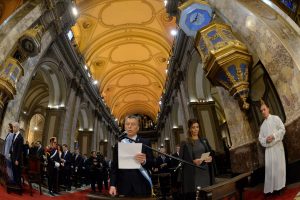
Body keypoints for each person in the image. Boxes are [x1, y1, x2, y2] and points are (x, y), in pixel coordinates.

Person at [109, 115, 154, 197]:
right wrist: (112, 185)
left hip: (142, 184)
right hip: (123, 185)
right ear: (124, 127)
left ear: (138, 127)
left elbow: (153, 163)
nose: (129, 126)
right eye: (127, 124)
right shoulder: (119, 144)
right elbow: (114, 167)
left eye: (133, 124)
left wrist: (144, 161)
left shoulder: (145, 143)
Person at [180, 119, 215, 199]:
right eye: (193, 127)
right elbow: (182, 160)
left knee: (207, 194)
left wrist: (210, 158)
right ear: (189, 129)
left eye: (197, 127)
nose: (196, 129)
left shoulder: (204, 140)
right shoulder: (185, 143)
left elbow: (211, 151)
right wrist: (193, 162)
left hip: (205, 171)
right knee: (197, 196)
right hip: (194, 173)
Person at [258, 102, 286, 195]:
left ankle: (280, 187)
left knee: (279, 168)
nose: (263, 112)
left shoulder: (275, 118)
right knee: (270, 170)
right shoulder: (262, 126)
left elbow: (282, 129)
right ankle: (272, 189)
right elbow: (260, 139)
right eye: (261, 111)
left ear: (268, 109)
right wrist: (266, 139)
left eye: (264, 109)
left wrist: (273, 136)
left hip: (277, 147)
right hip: (269, 150)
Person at [11, 122, 24, 188]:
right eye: (13, 127)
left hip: (17, 159)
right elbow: (13, 146)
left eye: (14, 127)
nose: (13, 128)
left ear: (17, 127)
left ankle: (18, 186)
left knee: (17, 172)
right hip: (13, 156)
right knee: (14, 171)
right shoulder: (14, 135)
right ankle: (15, 183)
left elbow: (19, 150)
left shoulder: (20, 137)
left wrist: (16, 159)